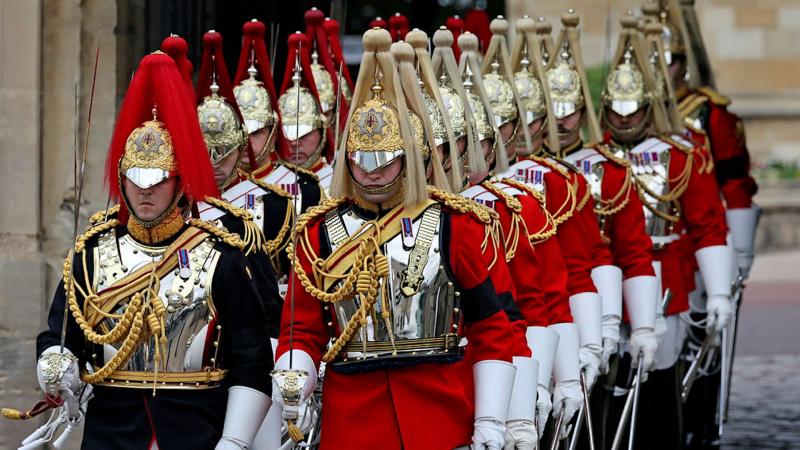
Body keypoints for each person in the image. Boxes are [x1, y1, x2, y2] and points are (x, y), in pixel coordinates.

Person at [271, 28, 516, 450]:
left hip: (440, 413)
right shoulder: (317, 232)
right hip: (355, 422)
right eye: (361, 161)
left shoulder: (452, 224)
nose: (372, 172)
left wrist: (492, 418)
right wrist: (295, 371)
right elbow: (302, 329)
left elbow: (490, 324)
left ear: (412, 158)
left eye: (385, 161)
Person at [34, 51, 272, 450]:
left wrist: (234, 439)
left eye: (159, 178)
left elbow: (251, 357)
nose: (145, 189)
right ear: (122, 178)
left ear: (179, 182)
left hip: (196, 426)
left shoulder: (222, 256)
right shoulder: (91, 253)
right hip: (112, 428)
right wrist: (55, 363)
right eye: (136, 178)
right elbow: (61, 332)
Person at [598, 13, 731, 449]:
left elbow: (708, 224)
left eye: (632, 109)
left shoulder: (679, 156)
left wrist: (718, 293)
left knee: (657, 378)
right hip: (605, 280)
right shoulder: (589, 160)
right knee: (607, 384)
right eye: (615, 111)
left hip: (666, 278)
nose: (623, 120)